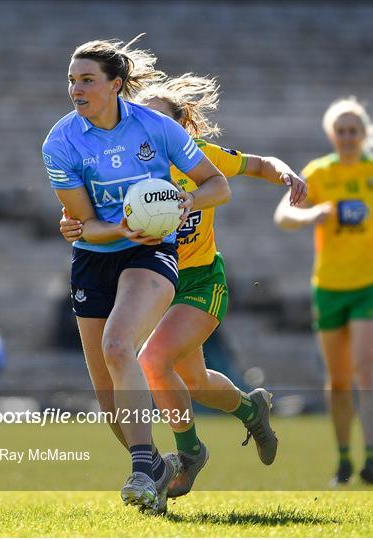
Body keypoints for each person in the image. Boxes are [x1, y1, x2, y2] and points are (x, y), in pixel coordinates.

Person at [60, 73, 307, 497]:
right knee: (194, 381)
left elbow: (258, 164)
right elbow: (85, 212)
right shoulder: (122, 161)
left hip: (198, 282)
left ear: (179, 128)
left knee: (154, 361)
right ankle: (252, 409)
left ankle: (189, 453)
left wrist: (287, 177)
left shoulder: (200, 159)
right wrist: (71, 224)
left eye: (159, 121)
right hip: (151, 278)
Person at [42, 37, 231, 513]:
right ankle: (156, 469)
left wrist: (184, 202)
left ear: (116, 85)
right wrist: (118, 226)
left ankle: (142, 470)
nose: (75, 89)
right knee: (111, 406)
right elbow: (83, 224)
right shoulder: (60, 141)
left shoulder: (156, 128)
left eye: (87, 80)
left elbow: (217, 184)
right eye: (71, 80)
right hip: (94, 255)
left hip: (151, 256)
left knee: (118, 344)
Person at [274, 96, 373, 485]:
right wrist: (312, 214)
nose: (346, 137)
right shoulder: (320, 173)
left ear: (363, 133)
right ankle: (343, 459)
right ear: (331, 134)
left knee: (366, 373)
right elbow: (283, 215)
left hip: (371, 286)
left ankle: (371, 459)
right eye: (339, 131)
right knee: (338, 379)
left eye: (352, 130)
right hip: (329, 287)